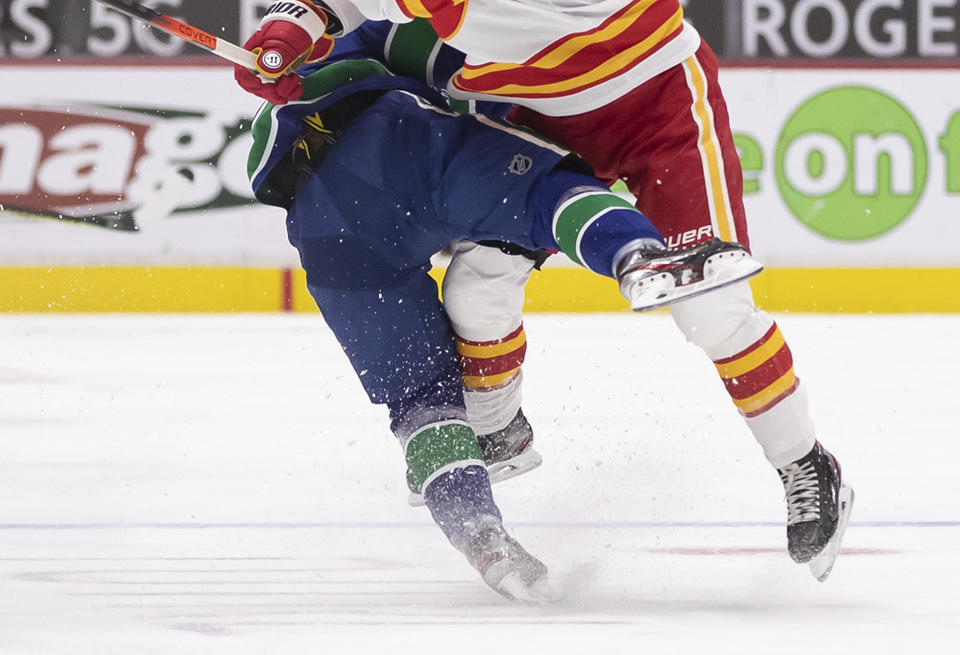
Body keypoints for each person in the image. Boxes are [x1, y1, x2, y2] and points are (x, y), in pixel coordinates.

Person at [240, 0, 854, 582]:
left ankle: (807, 464)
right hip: (544, 108)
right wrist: (304, 20)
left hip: (654, 99)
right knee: (476, 287)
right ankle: (499, 429)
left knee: (710, 304)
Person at [235, 30, 751, 600]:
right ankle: (636, 256)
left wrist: (288, 50)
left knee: (422, 404)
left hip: (330, 232)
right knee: (545, 198)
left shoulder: (301, 190)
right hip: (401, 140)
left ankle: (482, 537)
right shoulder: (357, 29)